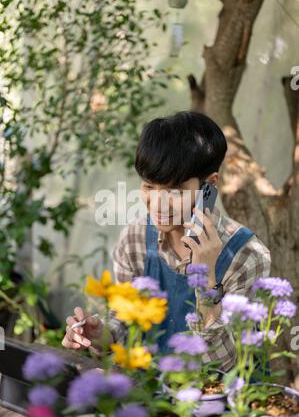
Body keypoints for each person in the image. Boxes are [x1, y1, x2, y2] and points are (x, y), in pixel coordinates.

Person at [62, 111, 271, 372]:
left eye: (174, 191)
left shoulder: (247, 255)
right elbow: (127, 319)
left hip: (226, 405)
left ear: (209, 186)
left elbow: (227, 363)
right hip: (157, 398)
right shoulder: (136, 239)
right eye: (149, 187)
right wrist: (100, 334)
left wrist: (206, 279)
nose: (158, 204)